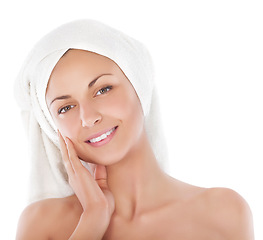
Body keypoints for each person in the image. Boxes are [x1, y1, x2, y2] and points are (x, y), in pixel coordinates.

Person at [15, 19, 254, 240]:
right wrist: (93, 220)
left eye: (103, 90)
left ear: (139, 86)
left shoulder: (223, 212)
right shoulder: (41, 224)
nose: (88, 118)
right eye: (66, 107)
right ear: (51, 126)